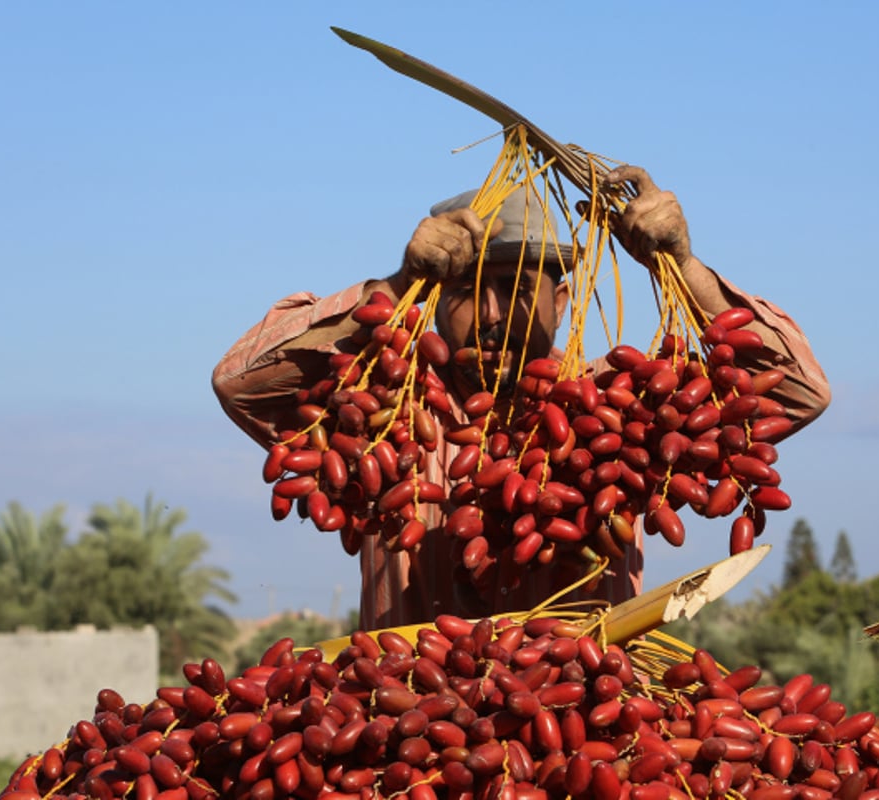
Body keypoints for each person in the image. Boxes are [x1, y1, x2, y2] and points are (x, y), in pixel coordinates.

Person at [213, 166, 831, 630]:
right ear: (430, 301)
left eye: (514, 288)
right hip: (407, 734)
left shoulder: (621, 410)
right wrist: (397, 284)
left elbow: (799, 389)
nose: (490, 316)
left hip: (579, 732)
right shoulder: (380, 406)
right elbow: (242, 380)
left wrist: (681, 266)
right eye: (463, 291)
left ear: (562, 304)